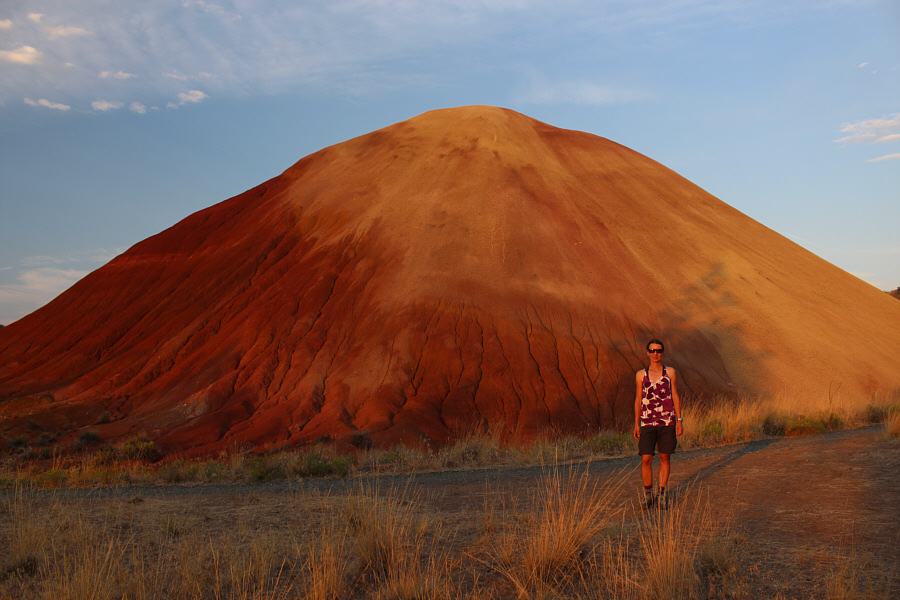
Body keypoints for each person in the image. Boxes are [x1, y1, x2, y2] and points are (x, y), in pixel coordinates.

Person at [633, 338, 683, 509]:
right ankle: (648, 495)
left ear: (662, 352)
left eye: (659, 351)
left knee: (664, 457)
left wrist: (679, 420)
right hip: (647, 421)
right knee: (646, 458)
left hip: (667, 421)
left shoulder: (670, 372)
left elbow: (675, 395)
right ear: (647, 352)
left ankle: (661, 494)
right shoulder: (641, 375)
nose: (655, 354)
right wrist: (637, 423)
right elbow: (638, 399)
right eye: (652, 351)